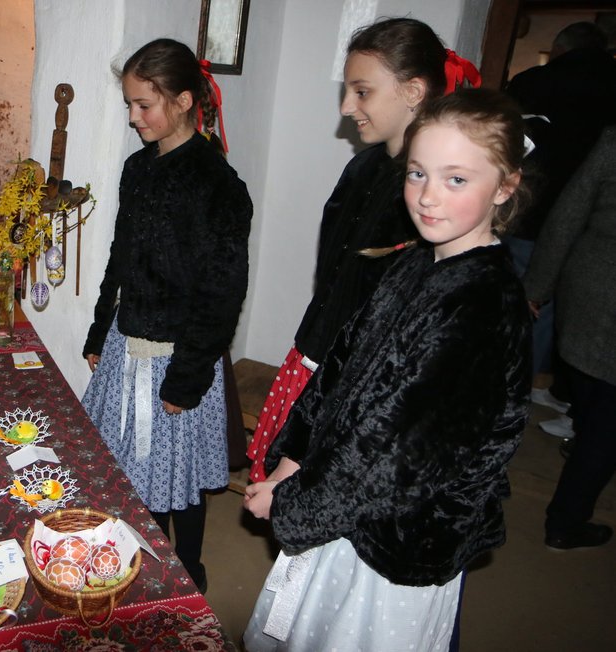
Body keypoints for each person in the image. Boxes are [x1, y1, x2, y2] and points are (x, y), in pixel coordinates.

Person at [242, 88, 532, 651]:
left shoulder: (481, 307)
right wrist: (288, 465)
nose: (427, 197)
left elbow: (392, 449)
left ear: (504, 186)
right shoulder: (414, 262)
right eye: (418, 173)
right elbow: (339, 366)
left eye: (456, 180)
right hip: (341, 502)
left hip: (396, 535)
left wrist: (294, 505)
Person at [246, 17, 481, 482]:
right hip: (320, 350)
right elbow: (333, 274)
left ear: (413, 91)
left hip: (370, 379)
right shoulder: (362, 168)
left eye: (362, 91)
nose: (347, 106)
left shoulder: (429, 198)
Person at [81, 38, 252, 593]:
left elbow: (222, 292)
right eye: (129, 105)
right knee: (129, 471)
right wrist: (99, 326)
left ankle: (191, 568)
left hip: (178, 358)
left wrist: (190, 374)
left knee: (181, 477)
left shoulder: (216, 184)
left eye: (143, 106)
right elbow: (120, 254)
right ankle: (137, 561)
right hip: (126, 341)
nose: (133, 117)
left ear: (182, 100)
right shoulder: (137, 169)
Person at [505, 21, 616, 437]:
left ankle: (515, 385)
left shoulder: (535, 82)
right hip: (594, 224)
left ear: (558, 47)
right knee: (562, 307)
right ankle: (544, 387)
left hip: (529, 209)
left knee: (524, 301)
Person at [524, 126, 616, 551]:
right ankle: (566, 521)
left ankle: (582, 449)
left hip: (589, 295)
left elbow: (567, 215)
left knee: (595, 408)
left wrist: (536, 288)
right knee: (604, 429)